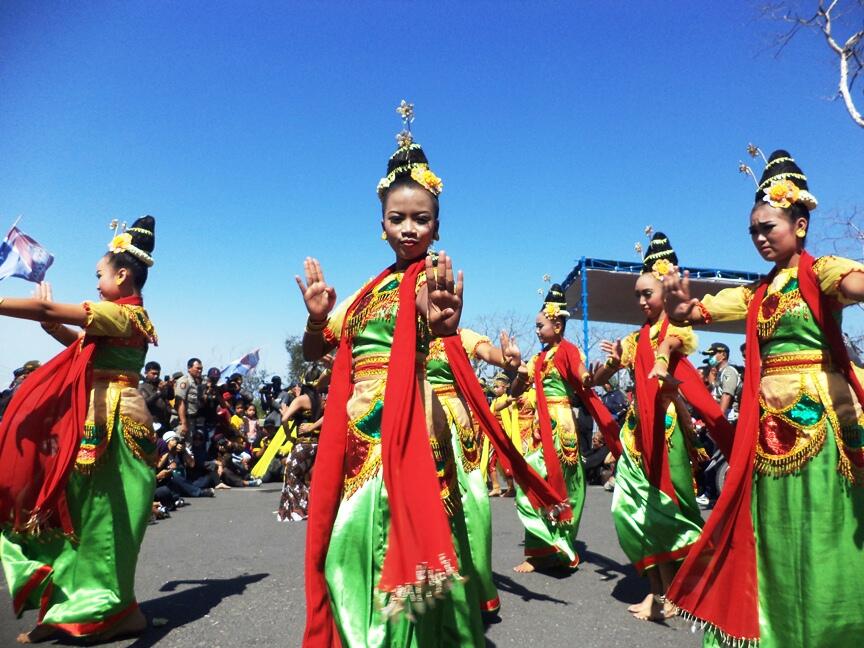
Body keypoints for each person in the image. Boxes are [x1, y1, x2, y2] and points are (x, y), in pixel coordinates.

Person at [664, 149, 864, 647]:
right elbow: (701, 311)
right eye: (752, 230)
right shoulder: (755, 293)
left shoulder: (820, 272)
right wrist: (682, 307)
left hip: (819, 422)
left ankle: (830, 629)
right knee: (774, 531)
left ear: (799, 225)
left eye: (767, 227)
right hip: (769, 428)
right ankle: (774, 630)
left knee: (822, 528)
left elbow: (855, 283)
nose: (758, 237)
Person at [0, 216, 159, 642]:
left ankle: (113, 611)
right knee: (78, 517)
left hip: (114, 426)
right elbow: (87, 349)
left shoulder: (121, 313)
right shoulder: (124, 318)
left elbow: (49, 306)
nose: (95, 284)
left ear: (122, 275)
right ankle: (71, 608)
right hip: (98, 420)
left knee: (103, 523)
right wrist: (56, 330)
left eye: (99, 275)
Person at [590, 232, 727, 622]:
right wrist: (611, 363)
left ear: (665, 292)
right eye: (637, 294)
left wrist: (664, 364)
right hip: (637, 435)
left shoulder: (677, 332)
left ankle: (671, 592)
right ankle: (660, 590)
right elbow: (600, 378)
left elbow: (669, 356)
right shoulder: (634, 340)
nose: (640, 301)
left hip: (667, 432)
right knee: (630, 511)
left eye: (646, 293)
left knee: (668, 512)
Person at [509, 283, 619, 573]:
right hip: (537, 425)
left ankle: (561, 545)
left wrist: (589, 377)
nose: (536, 330)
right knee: (534, 480)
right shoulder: (538, 358)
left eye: (539, 325)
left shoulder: (569, 351)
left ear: (557, 325)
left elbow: (582, 376)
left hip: (561, 425)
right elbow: (516, 389)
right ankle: (537, 551)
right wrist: (518, 372)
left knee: (564, 484)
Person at [425, 330, 522, 615]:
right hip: (421, 424)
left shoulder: (459, 336)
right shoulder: (410, 332)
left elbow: (487, 352)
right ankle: (435, 593)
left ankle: (475, 585)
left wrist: (504, 359)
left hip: (456, 428)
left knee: (473, 504)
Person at [276, 367, 324, 521]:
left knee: (291, 474)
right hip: (316, 444)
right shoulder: (321, 400)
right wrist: (314, 425)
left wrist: (289, 436)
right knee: (302, 475)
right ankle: (303, 507)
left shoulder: (300, 400)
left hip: (302, 444)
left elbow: (284, 420)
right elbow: (329, 415)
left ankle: (301, 508)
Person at [702, 342, 740, 421]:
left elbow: (726, 395)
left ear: (724, 355)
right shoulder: (720, 373)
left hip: (729, 418)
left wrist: (720, 419)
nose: (710, 358)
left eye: (712, 355)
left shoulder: (728, 371)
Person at [139, 360, 173, 430]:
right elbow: (145, 403)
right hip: (152, 423)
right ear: (146, 373)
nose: (156, 376)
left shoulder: (160, 384)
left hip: (165, 422)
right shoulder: (142, 386)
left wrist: (170, 387)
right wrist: (158, 392)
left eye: (158, 374)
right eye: (153, 374)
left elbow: (170, 397)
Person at [175, 358, 203, 440]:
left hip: (191, 420)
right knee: (181, 446)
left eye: (201, 369)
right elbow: (180, 402)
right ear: (189, 368)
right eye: (197, 368)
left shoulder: (196, 383)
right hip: (182, 420)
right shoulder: (184, 381)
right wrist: (183, 423)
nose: (200, 371)